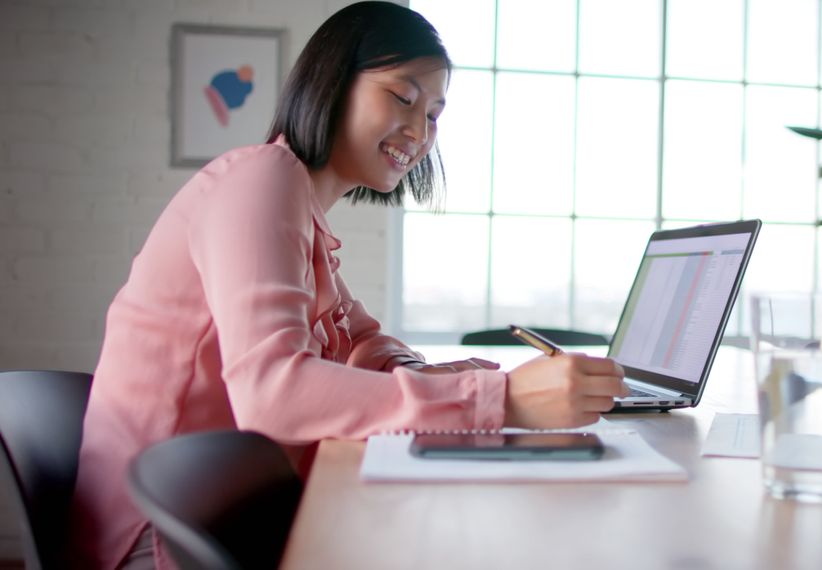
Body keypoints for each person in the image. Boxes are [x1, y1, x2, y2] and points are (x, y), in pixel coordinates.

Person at [69, 3, 627, 569]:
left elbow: (357, 338)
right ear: (333, 81)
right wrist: (500, 399)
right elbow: (273, 394)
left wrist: (428, 374)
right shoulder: (261, 179)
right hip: (162, 533)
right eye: (402, 97)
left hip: (214, 509)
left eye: (435, 114)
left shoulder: (300, 211)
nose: (419, 131)